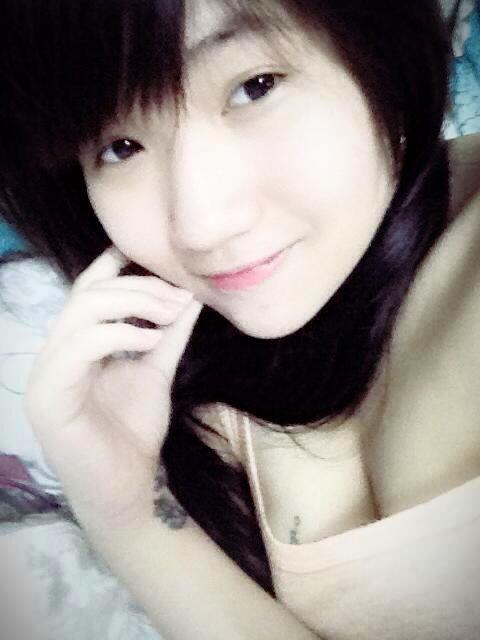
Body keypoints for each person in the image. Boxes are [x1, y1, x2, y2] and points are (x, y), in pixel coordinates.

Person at [0, 0, 479, 638]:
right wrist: (124, 510)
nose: (201, 226)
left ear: (380, 43)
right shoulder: (191, 374)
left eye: (255, 87)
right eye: (120, 147)